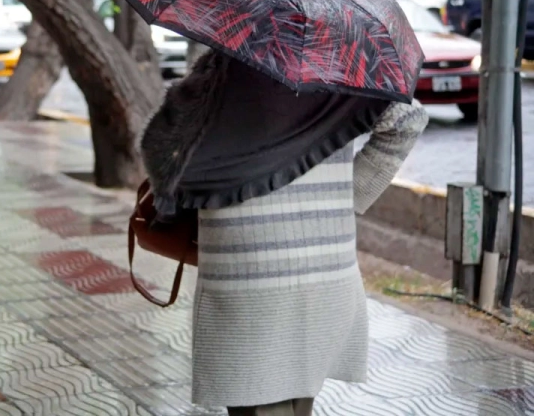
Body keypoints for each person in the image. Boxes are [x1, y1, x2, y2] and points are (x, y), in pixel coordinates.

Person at [140, 51, 428, 416]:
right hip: (327, 272)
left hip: (251, 282)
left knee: (259, 401)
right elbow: (409, 118)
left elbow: (161, 150)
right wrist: (347, 199)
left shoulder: (221, 74)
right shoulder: (345, 69)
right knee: (296, 402)